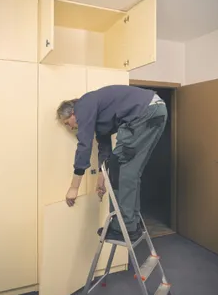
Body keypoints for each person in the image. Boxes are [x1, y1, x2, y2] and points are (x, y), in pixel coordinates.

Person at [56, 85, 167, 242]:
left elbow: (84, 145)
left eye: (68, 123)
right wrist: (101, 178)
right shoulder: (97, 112)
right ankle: (133, 224)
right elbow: (104, 148)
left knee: (120, 169)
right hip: (155, 111)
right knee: (130, 171)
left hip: (143, 113)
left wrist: (74, 187)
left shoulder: (83, 105)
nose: (71, 127)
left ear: (73, 113)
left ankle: (122, 227)